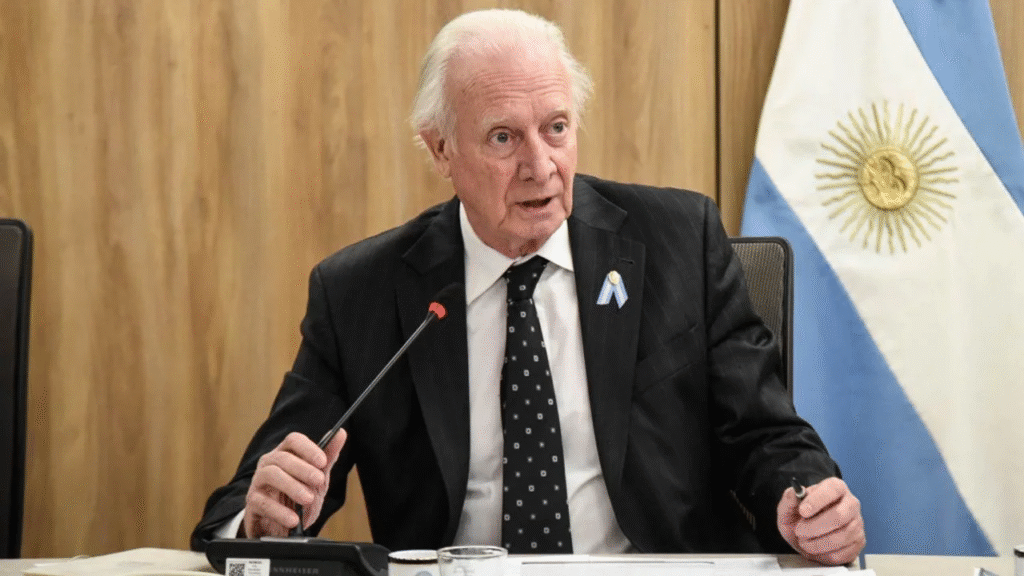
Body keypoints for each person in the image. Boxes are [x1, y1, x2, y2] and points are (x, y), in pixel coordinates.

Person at [191, 8, 865, 565]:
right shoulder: (361, 293)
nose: (540, 167)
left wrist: (802, 498)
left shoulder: (678, 242)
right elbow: (254, 501)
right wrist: (261, 521)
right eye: (503, 138)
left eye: (556, 128)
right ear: (440, 149)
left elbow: (765, 435)